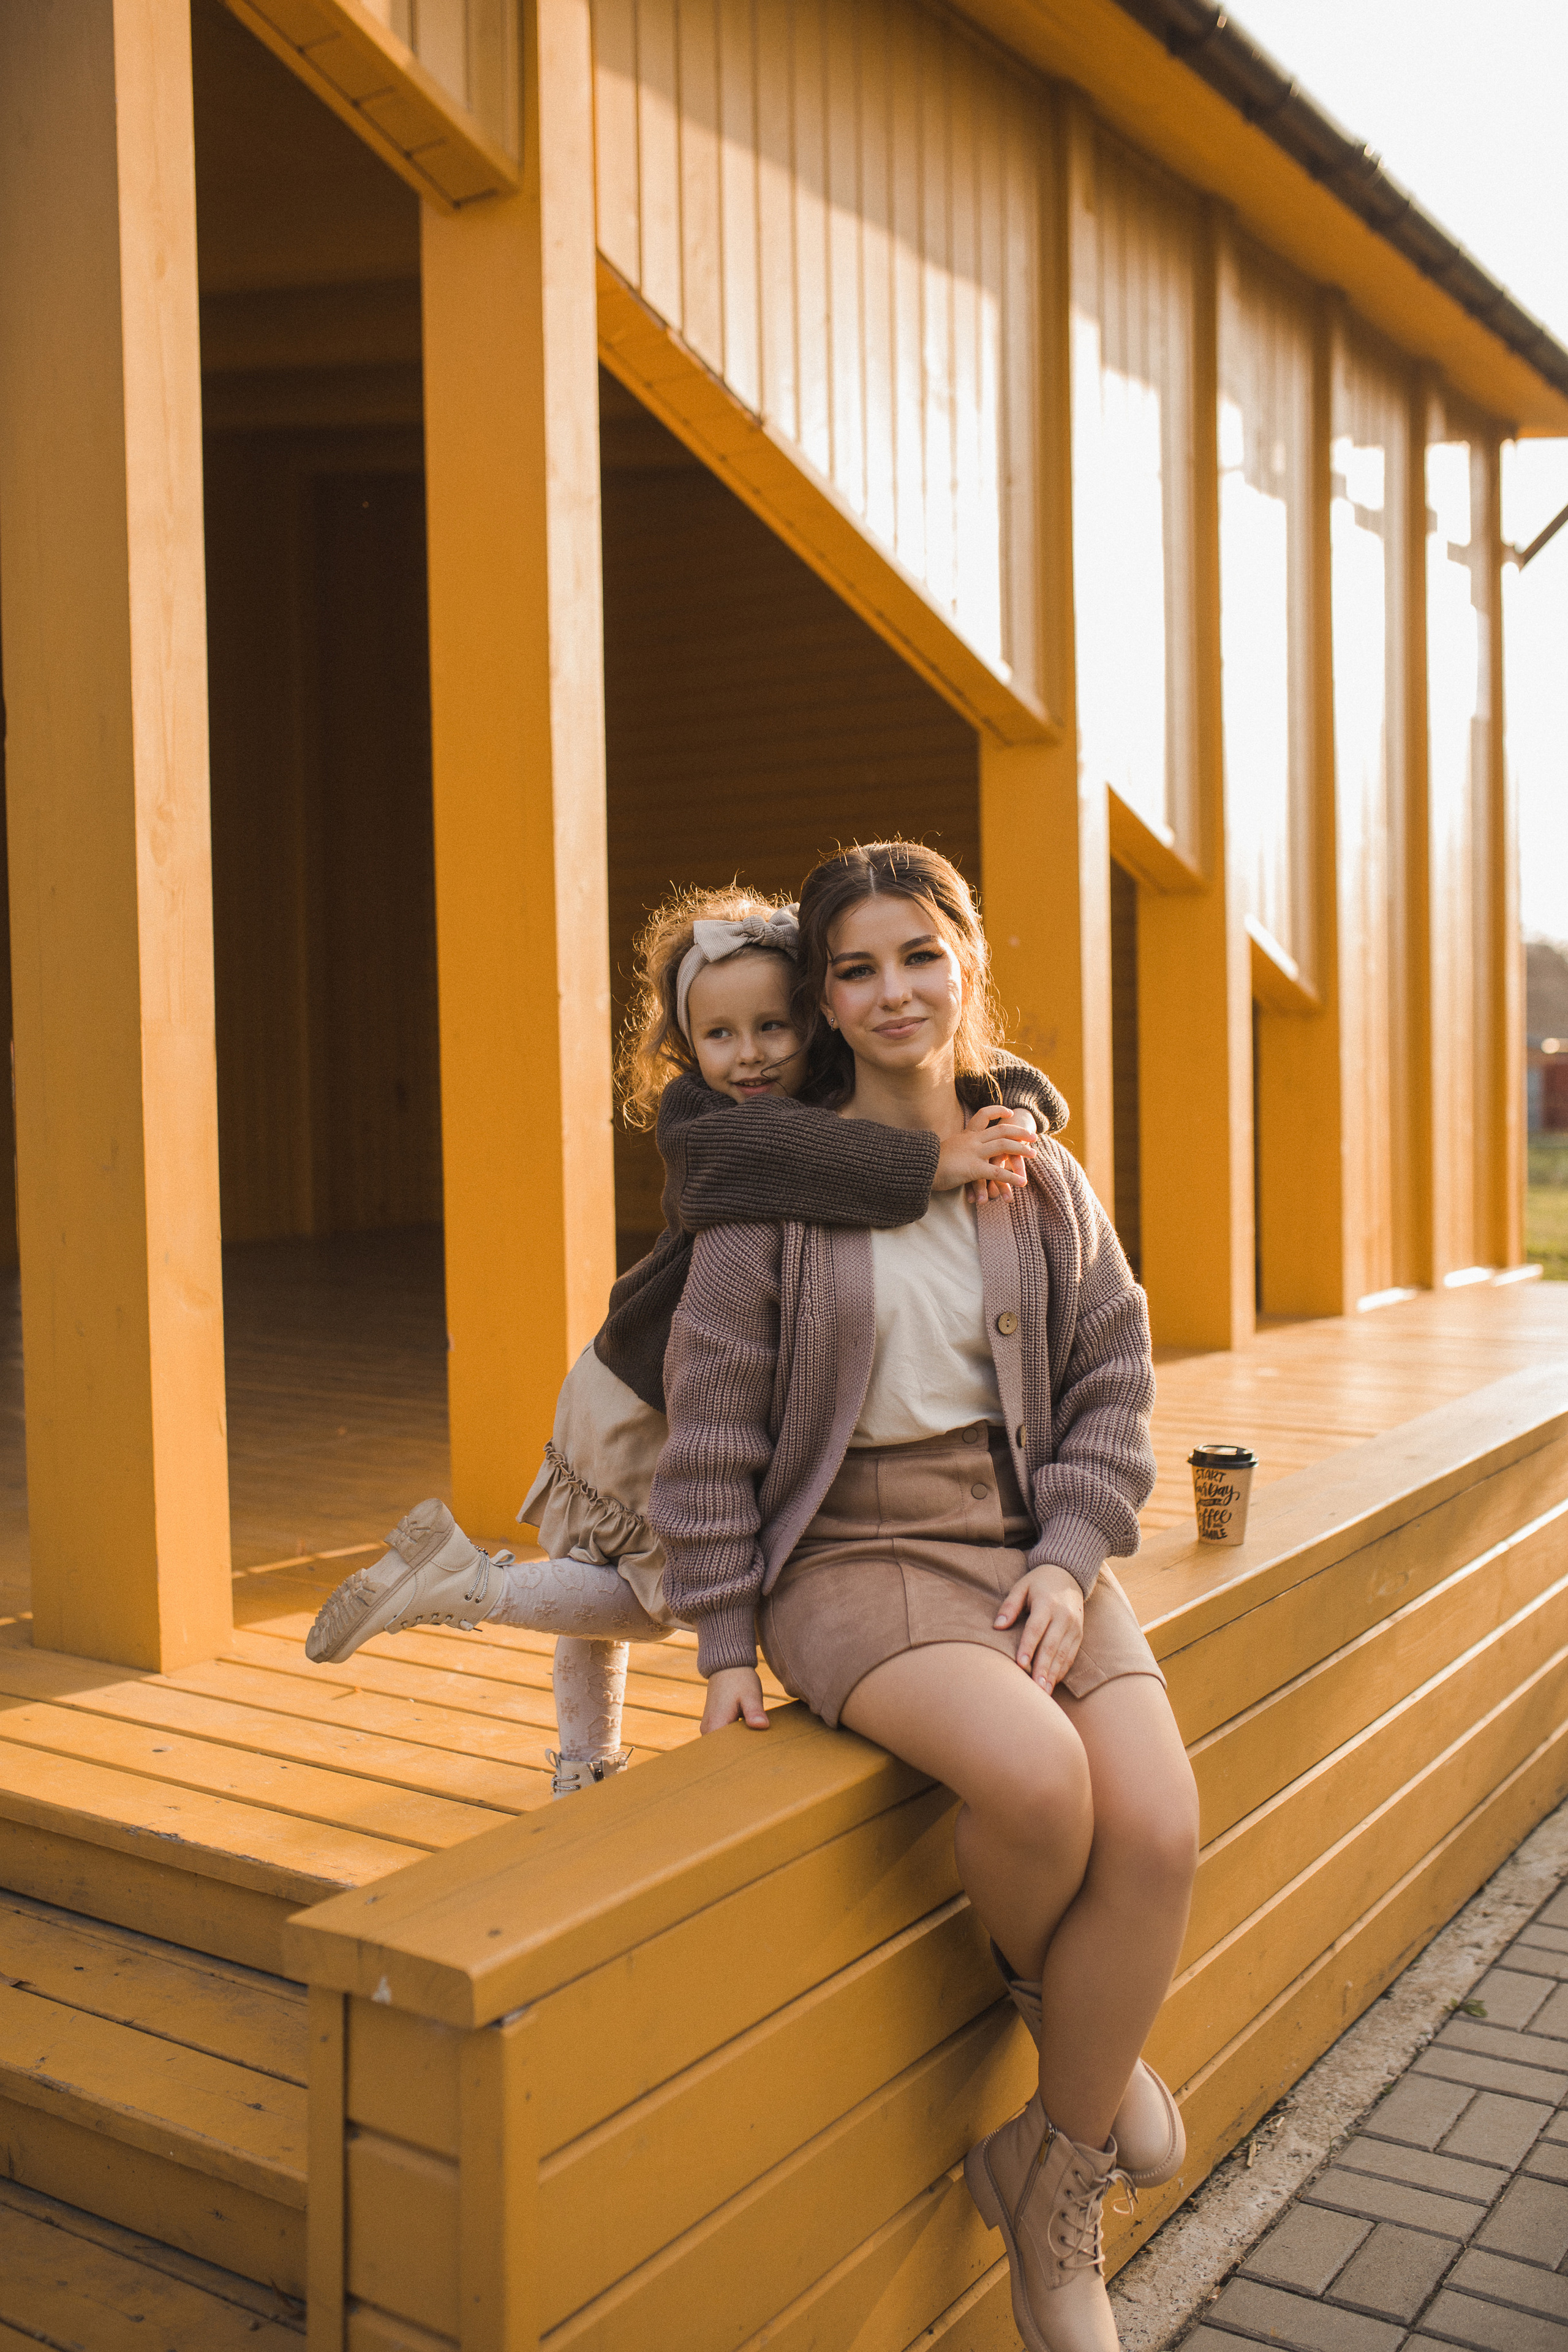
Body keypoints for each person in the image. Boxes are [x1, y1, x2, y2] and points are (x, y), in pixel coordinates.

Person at [647, 841, 1199, 2352]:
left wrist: (1071, 1561)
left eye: (918, 956)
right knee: (1036, 1784)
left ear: (965, 965)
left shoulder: (1042, 1170)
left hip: (1028, 1537)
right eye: (854, 967)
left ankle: (1044, 2159)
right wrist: (716, 1641)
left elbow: (1112, 1388)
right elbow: (711, 1426)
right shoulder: (774, 1179)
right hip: (851, 1554)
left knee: (1156, 1826)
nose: (893, 992)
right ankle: (1065, 2209)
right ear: (824, 998)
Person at [304, 881, 1061, 1793]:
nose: (748, 1058)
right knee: (664, 1596)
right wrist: (933, 1163)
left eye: (773, 1028)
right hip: (653, 1390)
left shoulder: (828, 1097)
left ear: (815, 1021)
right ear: (683, 1048)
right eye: (718, 1036)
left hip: (641, 1369)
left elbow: (959, 1068)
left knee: (595, 1568)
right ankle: (471, 1588)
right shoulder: (707, 1127)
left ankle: (582, 1768)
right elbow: (798, 1157)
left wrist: (1025, 1105)